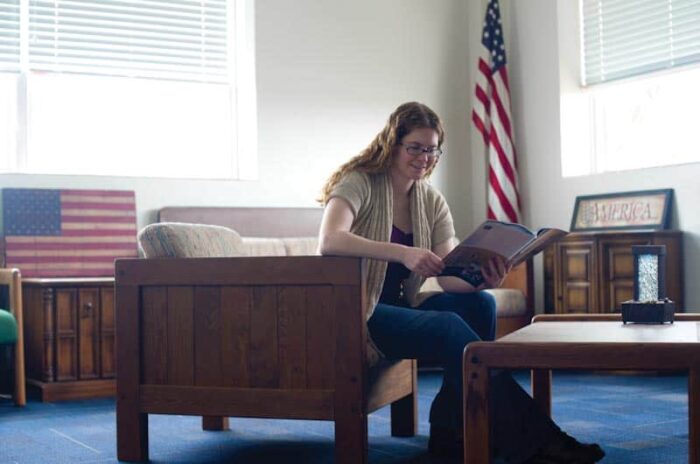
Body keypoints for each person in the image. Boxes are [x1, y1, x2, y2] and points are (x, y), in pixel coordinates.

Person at [318, 101, 605, 463]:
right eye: (415, 148)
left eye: (432, 149)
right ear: (392, 144)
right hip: (359, 308)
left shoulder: (430, 200)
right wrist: (402, 253)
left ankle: (452, 430)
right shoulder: (359, 182)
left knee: (479, 305)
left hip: (401, 306)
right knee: (449, 327)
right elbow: (329, 241)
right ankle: (537, 440)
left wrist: (481, 278)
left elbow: (449, 276)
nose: (424, 157)